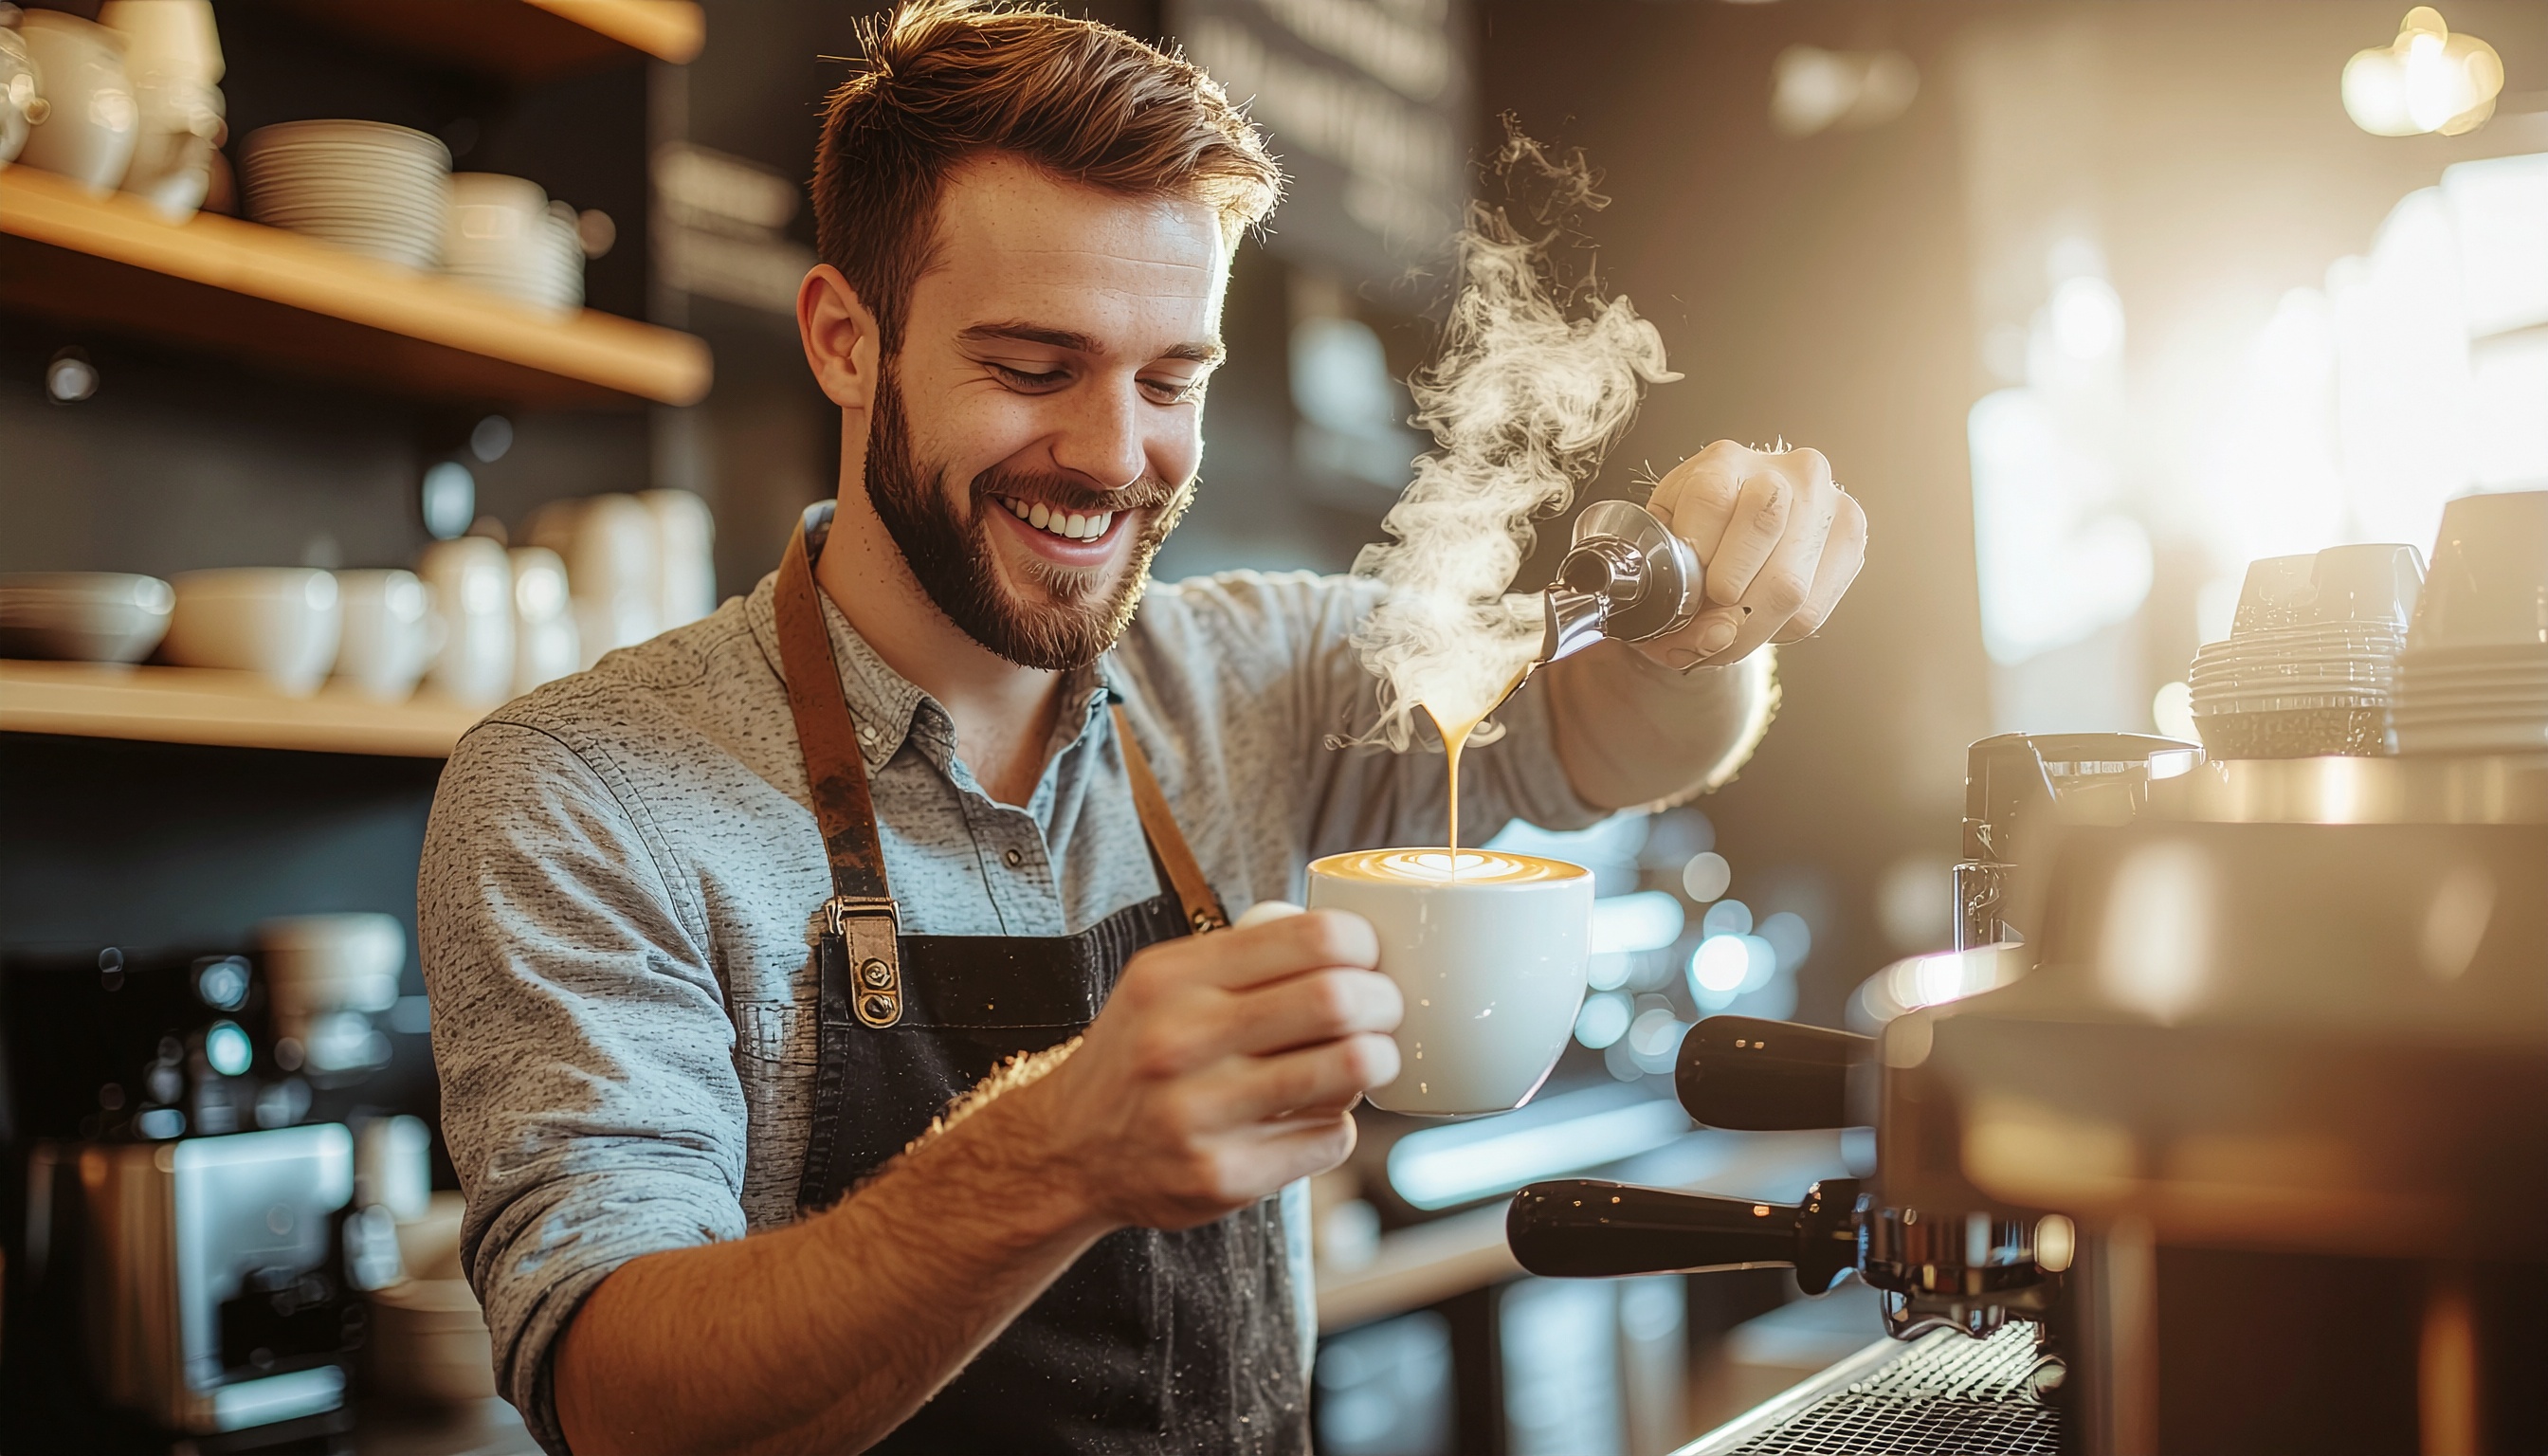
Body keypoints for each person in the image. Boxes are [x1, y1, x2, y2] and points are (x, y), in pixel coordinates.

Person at [417, 4, 1866, 1452]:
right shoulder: (582, 797)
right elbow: (614, 1393)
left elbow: (1608, 744)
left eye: (1173, 380)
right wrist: (1051, 1156)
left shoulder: (1248, 673)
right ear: (847, 342)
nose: (1117, 459)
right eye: (1033, 367)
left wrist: (1699, 627)